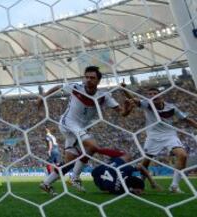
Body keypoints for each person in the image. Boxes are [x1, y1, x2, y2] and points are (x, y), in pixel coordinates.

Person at [37, 66, 134, 194]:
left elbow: (122, 113)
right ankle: (75, 177)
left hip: (80, 128)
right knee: (92, 146)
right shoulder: (76, 87)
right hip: (68, 123)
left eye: (92, 78)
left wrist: (127, 109)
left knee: (69, 162)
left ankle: (46, 183)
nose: (88, 80)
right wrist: (42, 97)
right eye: (86, 77)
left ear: (98, 81)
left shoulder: (104, 96)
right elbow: (59, 86)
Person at [123, 87, 197, 193]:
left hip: (169, 135)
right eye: (149, 94)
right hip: (153, 136)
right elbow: (133, 99)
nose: (153, 95)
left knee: (183, 155)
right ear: (147, 97)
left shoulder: (171, 108)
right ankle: (141, 183)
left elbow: (186, 119)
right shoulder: (147, 105)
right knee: (145, 163)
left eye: (155, 93)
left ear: (161, 95)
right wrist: (124, 89)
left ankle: (174, 186)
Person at [92, 151, 160, 195]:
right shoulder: (118, 191)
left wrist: (152, 182)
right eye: (139, 191)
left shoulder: (126, 168)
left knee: (127, 156)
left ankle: (102, 153)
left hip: (101, 170)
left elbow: (140, 166)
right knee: (127, 156)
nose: (140, 193)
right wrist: (152, 182)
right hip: (99, 180)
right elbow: (141, 166)